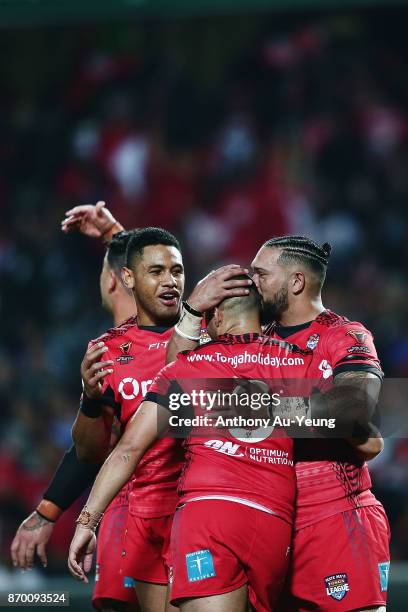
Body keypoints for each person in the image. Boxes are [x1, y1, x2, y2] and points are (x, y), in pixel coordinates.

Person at [167, 235, 390, 612]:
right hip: (269, 523)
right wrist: (191, 311)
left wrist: (268, 409)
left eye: (261, 274)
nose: (251, 283)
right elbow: (178, 379)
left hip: (334, 518)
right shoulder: (254, 341)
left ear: (296, 282)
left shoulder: (344, 335)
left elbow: (356, 409)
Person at [68, 281, 298, 611]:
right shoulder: (297, 361)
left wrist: (86, 523)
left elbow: (128, 449)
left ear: (216, 315)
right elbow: (365, 435)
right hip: (275, 522)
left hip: (209, 515)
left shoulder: (189, 368)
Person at [10, 231, 140, 612]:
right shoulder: (115, 350)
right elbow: (92, 447)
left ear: (112, 279)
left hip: (136, 520)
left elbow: (99, 449)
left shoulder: (123, 350)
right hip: (166, 519)